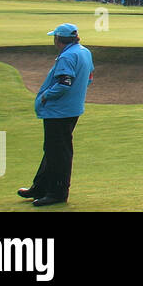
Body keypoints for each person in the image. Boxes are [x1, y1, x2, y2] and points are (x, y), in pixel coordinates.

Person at [19, 23, 93, 207]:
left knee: (58, 152)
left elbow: (64, 82)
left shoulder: (67, 56)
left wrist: (45, 96)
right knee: (52, 150)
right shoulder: (84, 52)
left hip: (59, 111)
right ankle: (40, 187)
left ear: (58, 39)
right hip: (70, 108)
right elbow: (89, 78)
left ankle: (57, 192)